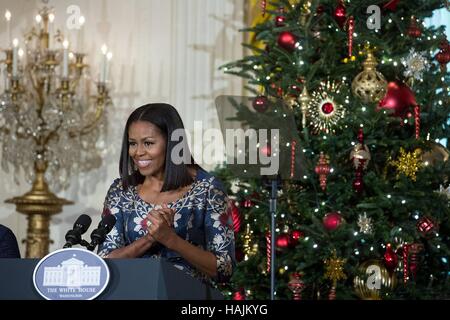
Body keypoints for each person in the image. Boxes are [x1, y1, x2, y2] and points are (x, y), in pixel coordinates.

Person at [97, 103, 235, 284]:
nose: (138, 152)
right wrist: (149, 239)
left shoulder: (208, 189)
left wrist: (171, 239)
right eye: (132, 143)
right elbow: (104, 263)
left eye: (148, 143)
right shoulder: (121, 191)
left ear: (172, 143)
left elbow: (224, 268)